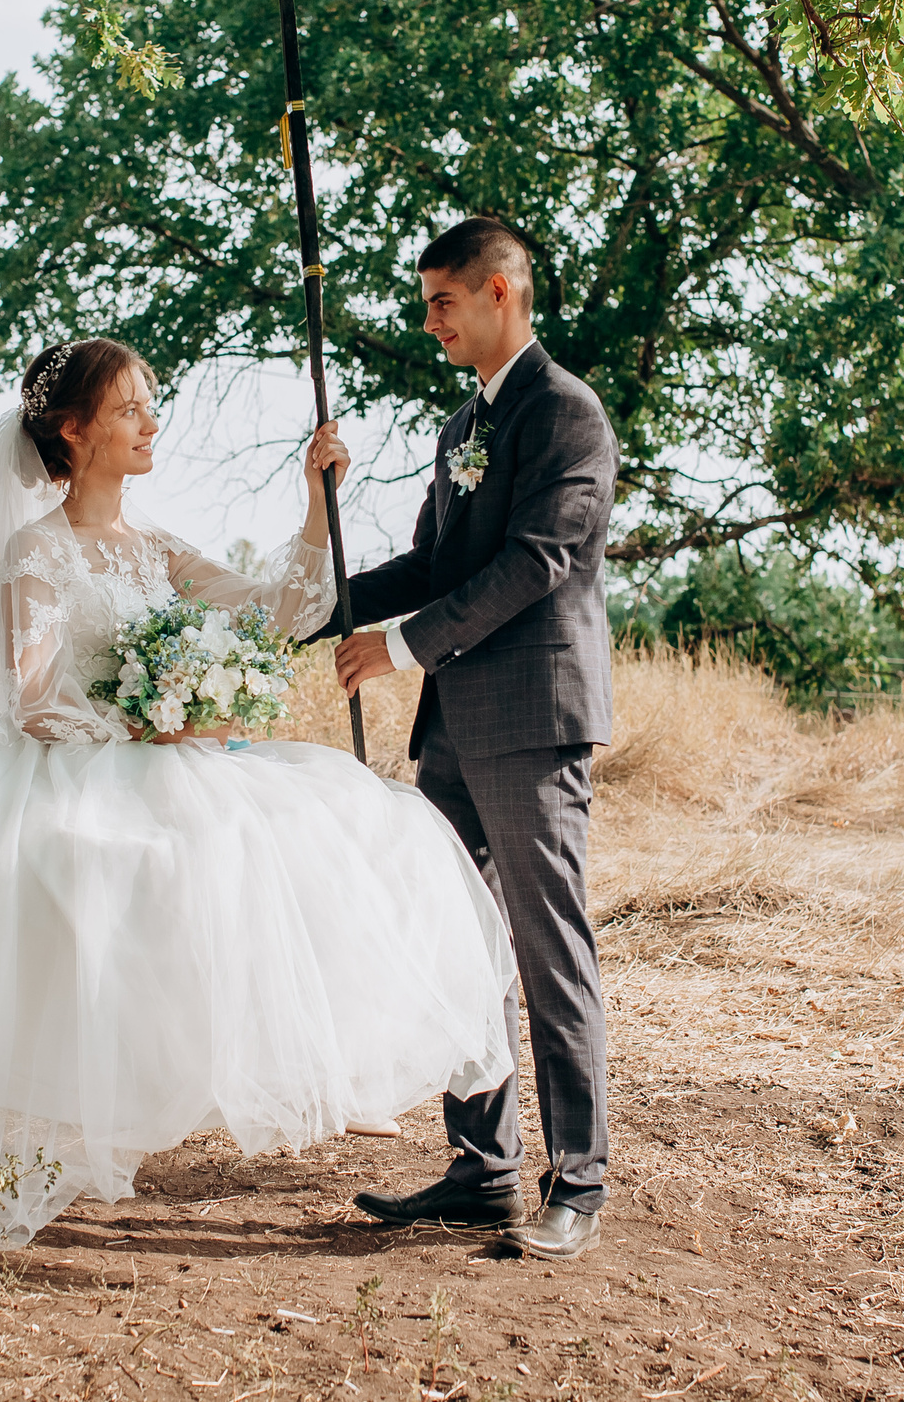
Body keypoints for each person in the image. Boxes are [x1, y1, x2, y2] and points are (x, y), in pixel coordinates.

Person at [0, 337, 516, 1252]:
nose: (151, 421)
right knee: (130, 861)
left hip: (172, 751)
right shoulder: (35, 552)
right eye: (130, 407)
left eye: (152, 402)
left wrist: (312, 504)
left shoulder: (161, 547)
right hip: (84, 762)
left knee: (341, 828)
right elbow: (37, 698)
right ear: (74, 430)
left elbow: (280, 612)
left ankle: (296, 1069)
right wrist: (152, 725)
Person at [326, 217, 620, 1263]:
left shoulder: (566, 414)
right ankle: (482, 1171)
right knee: (458, 946)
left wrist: (399, 650)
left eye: (441, 300)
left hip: (534, 725)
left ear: (501, 292)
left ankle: (575, 1183)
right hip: (451, 728)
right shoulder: (461, 428)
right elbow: (431, 563)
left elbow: (535, 564)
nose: (428, 320)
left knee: (547, 954)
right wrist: (318, 604)